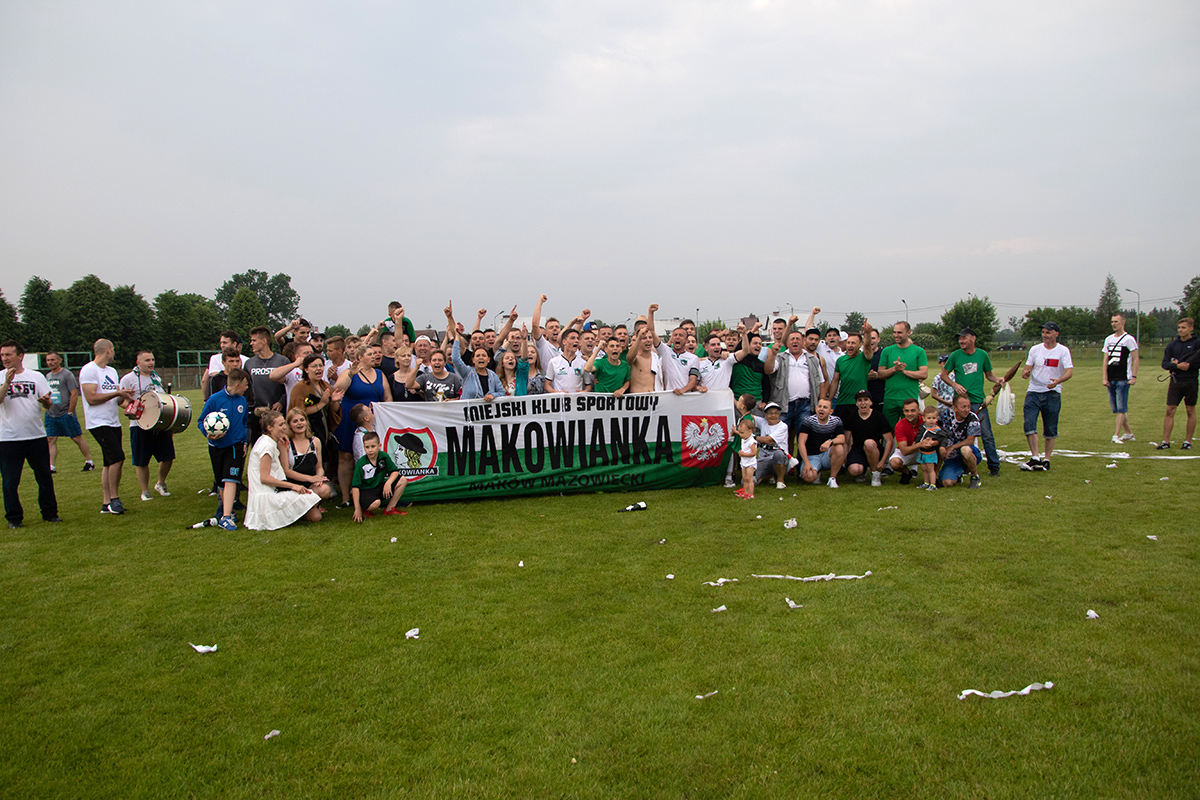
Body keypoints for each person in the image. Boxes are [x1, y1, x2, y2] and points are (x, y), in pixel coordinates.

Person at [0, 340, 61, 528]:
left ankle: (50, 513)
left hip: (35, 435)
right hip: (9, 438)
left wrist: (46, 402)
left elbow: (48, 403)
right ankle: (14, 518)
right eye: (2, 355)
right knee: (10, 481)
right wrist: (7, 383)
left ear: (20, 356)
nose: (5, 358)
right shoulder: (0, 376)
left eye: (8, 354)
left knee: (44, 477)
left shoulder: (35, 376)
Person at [80, 338, 135, 514]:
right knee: (118, 458)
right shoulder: (89, 370)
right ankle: (114, 499)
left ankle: (106, 503)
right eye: (113, 350)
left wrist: (129, 403)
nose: (114, 353)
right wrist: (117, 392)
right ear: (108, 350)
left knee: (108, 462)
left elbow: (117, 399)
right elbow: (91, 398)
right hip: (98, 422)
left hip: (113, 421)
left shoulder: (111, 371)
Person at [941, 328, 1005, 476]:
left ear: (973, 338)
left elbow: (989, 374)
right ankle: (961, 463)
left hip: (977, 401)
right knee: (958, 434)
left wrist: (998, 380)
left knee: (986, 434)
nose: (961, 341)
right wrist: (955, 385)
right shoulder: (955, 356)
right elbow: (944, 375)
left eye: (964, 338)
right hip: (960, 403)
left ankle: (994, 466)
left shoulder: (982, 355)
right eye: (960, 339)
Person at [244, 410, 322, 530]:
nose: (284, 427)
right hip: (267, 496)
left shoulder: (268, 441)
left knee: (315, 510)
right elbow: (264, 478)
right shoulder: (267, 446)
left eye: (284, 423)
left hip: (271, 492)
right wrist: (293, 486)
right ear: (270, 428)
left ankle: (296, 513)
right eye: (280, 425)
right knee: (313, 499)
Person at [333, 344, 391, 506]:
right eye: (370, 354)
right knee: (346, 457)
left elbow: (387, 397)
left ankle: (369, 492)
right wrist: (350, 374)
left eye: (375, 354)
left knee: (372, 455)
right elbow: (337, 390)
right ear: (360, 357)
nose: (374, 356)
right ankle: (346, 498)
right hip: (349, 419)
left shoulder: (380, 374)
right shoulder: (349, 372)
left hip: (372, 420)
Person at [196, 367, 250, 531]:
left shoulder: (242, 401)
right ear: (237, 384)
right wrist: (208, 433)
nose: (247, 388)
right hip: (217, 447)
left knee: (230, 479)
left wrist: (244, 441)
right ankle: (228, 510)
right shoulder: (214, 400)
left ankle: (226, 517)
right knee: (221, 482)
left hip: (235, 446)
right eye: (245, 384)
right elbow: (201, 421)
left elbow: (244, 423)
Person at [119, 349, 175, 502]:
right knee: (142, 460)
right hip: (139, 425)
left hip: (159, 424)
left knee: (168, 456)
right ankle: (145, 491)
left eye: (152, 359)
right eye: (147, 360)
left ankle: (160, 483)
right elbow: (120, 400)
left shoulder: (156, 378)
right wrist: (133, 410)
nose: (151, 363)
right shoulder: (128, 379)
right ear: (138, 363)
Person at [1020, 321, 1073, 471]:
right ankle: (1035, 457)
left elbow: (1069, 371)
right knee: (1029, 423)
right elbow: (1028, 367)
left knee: (1050, 427)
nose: (1045, 335)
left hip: (1052, 394)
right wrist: (1026, 373)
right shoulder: (1035, 349)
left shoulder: (1063, 351)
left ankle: (1047, 459)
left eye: (1048, 332)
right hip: (1034, 392)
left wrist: (1058, 381)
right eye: (1043, 332)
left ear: (1056, 334)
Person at [43, 351, 94, 473]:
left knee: (76, 438)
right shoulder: (48, 376)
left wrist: (70, 411)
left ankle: (89, 462)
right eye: (48, 360)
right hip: (51, 413)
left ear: (59, 360)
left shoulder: (67, 375)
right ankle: (51, 467)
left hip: (65, 413)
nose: (50, 362)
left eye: (53, 360)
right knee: (51, 439)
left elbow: (74, 393)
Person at [875, 321, 928, 428]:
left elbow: (923, 374)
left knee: (910, 429)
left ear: (908, 332)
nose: (896, 335)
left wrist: (904, 371)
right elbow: (881, 374)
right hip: (890, 398)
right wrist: (894, 369)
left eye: (899, 332)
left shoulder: (919, 351)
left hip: (909, 398)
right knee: (888, 430)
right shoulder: (887, 351)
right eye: (894, 332)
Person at [244, 326, 289, 446]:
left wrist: (281, 402)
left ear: (264, 341)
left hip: (277, 413)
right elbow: (246, 388)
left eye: (254, 340)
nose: (251, 343)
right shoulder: (249, 363)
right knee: (258, 447)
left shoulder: (282, 361)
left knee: (279, 446)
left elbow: (290, 385)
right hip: (257, 415)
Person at [1158, 317, 1198, 450]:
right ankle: (1165, 441)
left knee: (1190, 410)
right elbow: (1165, 363)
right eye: (1179, 328)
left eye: (1183, 328)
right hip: (1175, 381)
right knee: (1170, 409)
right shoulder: (1172, 345)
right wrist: (1177, 366)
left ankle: (1187, 442)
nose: (1180, 330)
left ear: (1191, 328)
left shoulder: (1197, 344)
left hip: (1191, 381)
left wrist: (1189, 365)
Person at [351, 431, 408, 522]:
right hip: (366, 491)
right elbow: (355, 487)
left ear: (379, 446)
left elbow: (394, 471)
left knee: (402, 480)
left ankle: (389, 509)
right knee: (375, 504)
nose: (370, 450)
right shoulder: (361, 463)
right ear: (364, 448)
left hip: (379, 487)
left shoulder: (383, 456)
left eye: (373, 446)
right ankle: (364, 509)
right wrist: (357, 509)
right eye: (367, 447)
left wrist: (388, 483)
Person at [1101, 313, 1139, 445]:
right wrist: (1104, 377)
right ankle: (1128, 433)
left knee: (1121, 408)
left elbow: (1136, 358)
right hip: (1111, 377)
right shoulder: (1108, 339)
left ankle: (1116, 435)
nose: (1113, 324)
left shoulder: (1129, 339)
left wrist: (1134, 376)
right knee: (1117, 408)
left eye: (1116, 321)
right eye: (1112, 322)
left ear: (1123, 322)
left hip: (1123, 378)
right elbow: (1105, 360)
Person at [280, 408, 333, 501]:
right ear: (289, 425)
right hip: (293, 484)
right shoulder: (286, 443)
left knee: (325, 489)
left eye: (302, 420)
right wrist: (310, 478)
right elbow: (286, 471)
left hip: (311, 483)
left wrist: (319, 478)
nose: (299, 423)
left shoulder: (315, 441)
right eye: (295, 421)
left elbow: (319, 467)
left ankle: (315, 505)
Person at [844, 390, 892, 487]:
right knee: (854, 470)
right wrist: (846, 459)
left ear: (871, 402)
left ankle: (875, 474)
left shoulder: (878, 416)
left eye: (866, 400)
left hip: (874, 448)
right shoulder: (851, 417)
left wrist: (883, 461)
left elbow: (889, 440)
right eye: (860, 400)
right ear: (856, 403)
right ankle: (862, 471)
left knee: (868, 443)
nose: (863, 403)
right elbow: (846, 441)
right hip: (857, 449)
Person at [797, 397, 846, 488]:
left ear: (830, 411)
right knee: (808, 477)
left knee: (839, 447)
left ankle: (832, 479)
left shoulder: (836, 421)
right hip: (812, 456)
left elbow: (842, 439)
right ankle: (816, 472)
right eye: (819, 406)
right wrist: (807, 463)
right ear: (816, 408)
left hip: (827, 456)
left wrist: (830, 441)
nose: (821, 409)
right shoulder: (808, 421)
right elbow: (801, 443)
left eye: (825, 407)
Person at [939, 395, 983, 489]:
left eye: (968, 406)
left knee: (965, 450)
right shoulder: (946, 415)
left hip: (971, 453)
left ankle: (974, 476)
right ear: (954, 408)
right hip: (953, 457)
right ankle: (958, 475)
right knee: (947, 483)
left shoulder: (972, 417)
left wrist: (952, 447)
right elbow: (933, 420)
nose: (967, 410)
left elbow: (970, 441)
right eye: (963, 407)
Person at [753, 403, 793, 489]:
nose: (773, 415)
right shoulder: (763, 422)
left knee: (779, 453)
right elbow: (749, 416)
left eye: (776, 413)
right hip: (764, 459)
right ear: (765, 414)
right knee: (748, 481)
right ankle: (768, 475)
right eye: (770, 413)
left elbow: (769, 440)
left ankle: (780, 481)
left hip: (780, 460)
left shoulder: (783, 426)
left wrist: (753, 437)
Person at [200, 331, 246, 399]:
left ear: (234, 344)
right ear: (223, 362)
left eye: (225, 343)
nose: (222, 345)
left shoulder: (246, 360)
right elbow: (215, 378)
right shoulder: (215, 358)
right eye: (221, 343)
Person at [888, 398, 924, 484]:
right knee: (894, 463)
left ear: (918, 410)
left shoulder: (926, 420)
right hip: (910, 450)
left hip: (924, 450)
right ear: (903, 411)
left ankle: (934, 478)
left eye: (913, 410)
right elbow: (904, 451)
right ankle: (907, 473)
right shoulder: (900, 425)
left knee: (940, 451)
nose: (909, 414)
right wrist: (919, 445)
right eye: (907, 411)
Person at [915, 406, 949, 490]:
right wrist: (918, 442)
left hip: (930, 453)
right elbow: (918, 436)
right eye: (929, 418)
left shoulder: (937, 430)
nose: (931, 420)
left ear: (937, 418)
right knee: (924, 468)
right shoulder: (922, 427)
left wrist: (940, 446)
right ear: (924, 418)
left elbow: (944, 438)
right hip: (921, 451)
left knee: (930, 468)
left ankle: (933, 484)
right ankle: (926, 482)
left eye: (933, 418)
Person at [734, 417, 758, 499]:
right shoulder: (744, 437)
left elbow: (754, 453)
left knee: (749, 478)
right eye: (740, 432)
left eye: (742, 433)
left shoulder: (752, 442)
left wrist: (743, 454)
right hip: (744, 462)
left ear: (750, 431)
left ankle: (750, 494)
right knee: (744, 478)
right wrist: (735, 431)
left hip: (750, 463)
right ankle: (745, 492)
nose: (740, 435)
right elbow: (739, 433)